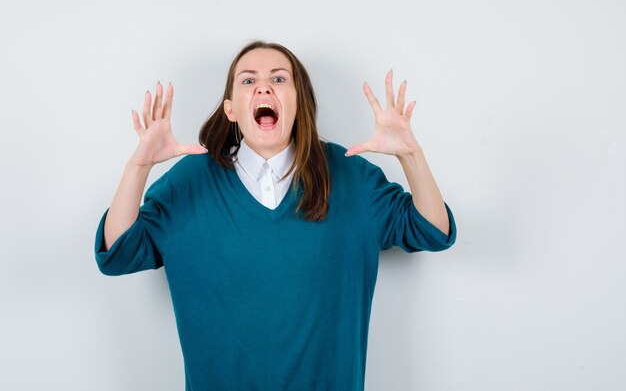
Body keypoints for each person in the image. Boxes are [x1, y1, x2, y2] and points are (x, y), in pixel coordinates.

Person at [95, 40, 457, 391]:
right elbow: (118, 254)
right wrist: (138, 167)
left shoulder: (351, 177)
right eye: (248, 80)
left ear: (298, 103)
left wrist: (411, 155)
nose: (263, 88)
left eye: (279, 79)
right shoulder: (189, 182)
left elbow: (432, 231)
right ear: (231, 109)